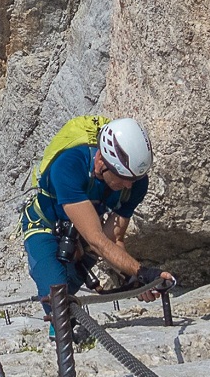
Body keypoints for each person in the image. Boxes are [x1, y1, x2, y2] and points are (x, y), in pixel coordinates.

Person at [18, 116, 175, 332]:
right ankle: (62, 338)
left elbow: (114, 238)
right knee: (57, 295)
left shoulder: (136, 183)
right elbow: (98, 239)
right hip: (43, 226)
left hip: (80, 237)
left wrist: (134, 278)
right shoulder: (69, 166)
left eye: (134, 179)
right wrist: (142, 271)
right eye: (122, 177)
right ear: (101, 161)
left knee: (68, 289)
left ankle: (63, 318)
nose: (128, 184)